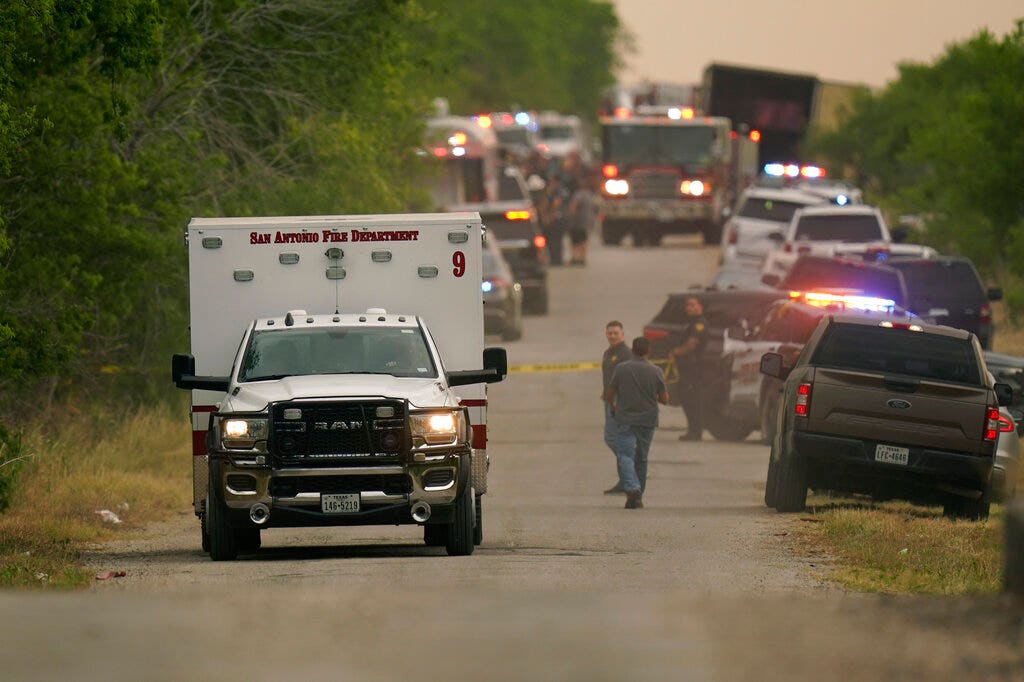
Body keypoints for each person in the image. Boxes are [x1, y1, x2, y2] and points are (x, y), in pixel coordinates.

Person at [605, 336, 669, 509]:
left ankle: (632, 488)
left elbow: (609, 393)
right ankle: (638, 497)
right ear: (649, 352)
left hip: (625, 419)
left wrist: (613, 407)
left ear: (632, 350)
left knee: (625, 455)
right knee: (642, 457)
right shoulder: (656, 371)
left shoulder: (621, 369)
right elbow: (664, 399)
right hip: (648, 420)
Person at [670, 295, 708, 441]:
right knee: (686, 398)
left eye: (693, 305)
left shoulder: (700, 323)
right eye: (688, 305)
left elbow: (692, 344)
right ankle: (692, 430)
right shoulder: (690, 323)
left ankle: (696, 432)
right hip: (685, 367)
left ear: (700, 306)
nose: (690, 308)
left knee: (692, 399)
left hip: (694, 367)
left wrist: (677, 352)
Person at [601, 321, 632, 494]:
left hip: (618, 402)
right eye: (609, 333)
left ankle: (631, 463)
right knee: (615, 438)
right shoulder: (608, 353)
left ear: (622, 334)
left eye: (615, 333)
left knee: (612, 438)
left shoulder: (625, 354)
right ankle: (624, 480)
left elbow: (626, 380)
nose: (612, 336)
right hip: (609, 399)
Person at [568, 167, 598, 266]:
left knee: (575, 241)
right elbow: (595, 207)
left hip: (578, 221)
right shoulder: (591, 195)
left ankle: (575, 258)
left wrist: (570, 216)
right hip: (587, 221)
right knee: (584, 240)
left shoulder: (578, 195)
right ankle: (583, 258)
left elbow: (573, 207)